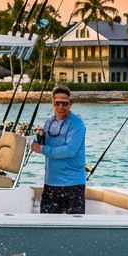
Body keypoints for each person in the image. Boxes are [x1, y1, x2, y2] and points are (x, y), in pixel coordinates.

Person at [31, 86, 87, 214]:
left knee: (74, 229)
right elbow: (40, 141)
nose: (61, 107)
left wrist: (42, 149)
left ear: (70, 104)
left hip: (73, 185)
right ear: (53, 103)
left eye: (65, 103)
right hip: (51, 183)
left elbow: (70, 150)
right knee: (46, 226)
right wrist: (34, 141)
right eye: (58, 103)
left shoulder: (77, 123)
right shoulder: (48, 122)